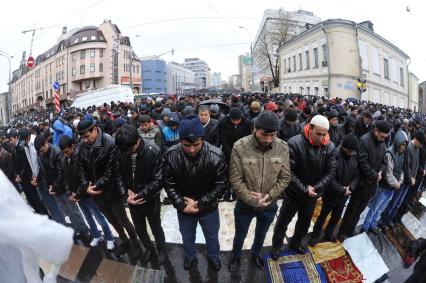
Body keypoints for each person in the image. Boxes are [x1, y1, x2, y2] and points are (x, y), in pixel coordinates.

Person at [164, 114, 227, 271]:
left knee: (212, 237)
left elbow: (221, 186)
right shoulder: (171, 155)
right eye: (186, 145)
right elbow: (169, 184)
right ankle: (190, 257)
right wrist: (180, 204)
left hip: (209, 209)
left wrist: (201, 203)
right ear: (180, 140)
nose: (192, 150)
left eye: (196, 144)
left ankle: (213, 257)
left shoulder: (216, 155)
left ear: (202, 139)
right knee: (187, 237)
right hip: (184, 208)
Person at [228, 112, 291, 270]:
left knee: (261, 235)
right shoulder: (240, 147)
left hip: (269, 205)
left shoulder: (282, 147)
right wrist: (252, 199)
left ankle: (255, 254)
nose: (268, 139)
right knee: (240, 234)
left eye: (273, 135)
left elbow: (285, 178)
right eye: (264, 134)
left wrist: (268, 196)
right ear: (255, 129)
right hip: (245, 205)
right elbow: (235, 179)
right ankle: (236, 256)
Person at [271, 115, 336, 259]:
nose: (321, 138)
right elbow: (288, 171)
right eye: (318, 134)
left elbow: (331, 171)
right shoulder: (294, 143)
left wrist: (316, 188)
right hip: (293, 193)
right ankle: (276, 246)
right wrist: (304, 188)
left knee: (304, 223)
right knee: (283, 222)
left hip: (312, 195)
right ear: (310, 128)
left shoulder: (329, 146)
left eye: (324, 134)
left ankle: (295, 243)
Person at [77, 118, 141, 258]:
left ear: (94, 129)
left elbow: (111, 170)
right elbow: (80, 167)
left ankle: (135, 241)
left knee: (123, 220)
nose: (85, 140)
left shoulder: (109, 143)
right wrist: (85, 185)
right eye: (82, 137)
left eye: (87, 136)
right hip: (96, 194)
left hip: (111, 192)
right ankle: (124, 240)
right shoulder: (82, 145)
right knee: (112, 221)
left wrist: (97, 185)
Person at [115, 125, 167, 264]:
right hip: (132, 201)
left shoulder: (153, 151)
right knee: (140, 230)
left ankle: (162, 250)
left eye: (129, 150)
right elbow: (118, 174)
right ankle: (150, 250)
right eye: (124, 151)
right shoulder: (122, 150)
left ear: (137, 140)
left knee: (156, 227)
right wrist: (125, 194)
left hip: (150, 199)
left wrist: (139, 194)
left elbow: (159, 180)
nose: (126, 153)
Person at [338, 120, 391, 241]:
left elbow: (384, 162)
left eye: (385, 137)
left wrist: (380, 173)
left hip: (372, 184)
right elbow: (362, 163)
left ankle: (351, 229)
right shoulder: (364, 140)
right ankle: (342, 232)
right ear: (376, 131)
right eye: (382, 136)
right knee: (352, 209)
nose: (384, 139)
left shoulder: (382, 143)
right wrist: (375, 176)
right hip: (361, 183)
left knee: (360, 209)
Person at [59, 135, 115, 250]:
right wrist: (70, 193)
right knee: (88, 217)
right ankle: (96, 235)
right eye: (63, 152)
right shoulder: (64, 160)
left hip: (87, 194)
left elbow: (84, 179)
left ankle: (110, 237)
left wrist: (77, 194)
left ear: (72, 146)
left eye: (66, 151)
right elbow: (65, 178)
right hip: (78, 196)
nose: (65, 154)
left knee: (99, 218)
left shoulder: (80, 157)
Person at [34, 133, 89, 239]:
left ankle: (85, 231)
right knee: (67, 212)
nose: (41, 153)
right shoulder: (40, 155)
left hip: (64, 188)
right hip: (54, 190)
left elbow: (61, 173)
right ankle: (77, 229)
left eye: (41, 150)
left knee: (74, 212)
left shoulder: (56, 152)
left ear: (46, 143)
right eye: (39, 152)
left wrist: (54, 186)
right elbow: (43, 170)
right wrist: (45, 183)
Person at [309, 134, 359, 246]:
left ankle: (328, 234)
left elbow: (357, 175)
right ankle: (315, 236)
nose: (351, 153)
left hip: (344, 195)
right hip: (331, 194)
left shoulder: (354, 156)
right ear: (343, 147)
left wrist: (351, 187)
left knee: (336, 217)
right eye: (349, 151)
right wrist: (341, 189)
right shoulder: (334, 155)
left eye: (352, 151)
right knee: (323, 216)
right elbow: (329, 178)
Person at [363, 130, 408, 234]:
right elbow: (388, 173)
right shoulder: (389, 153)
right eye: (402, 144)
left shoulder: (402, 154)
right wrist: (396, 183)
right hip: (385, 186)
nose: (404, 147)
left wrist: (400, 181)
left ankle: (373, 224)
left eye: (405, 145)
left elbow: (402, 170)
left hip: (392, 188)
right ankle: (366, 226)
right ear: (398, 142)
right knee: (375, 207)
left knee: (381, 208)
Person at [380, 130, 424, 229]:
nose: (421, 146)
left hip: (409, 181)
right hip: (403, 180)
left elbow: (416, 164)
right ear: (416, 140)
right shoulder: (408, 147)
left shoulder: (417, 149)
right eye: (420, 143)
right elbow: (406, 166)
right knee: (394, 202)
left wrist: (414, 177)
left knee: (398, 203)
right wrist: (410, 178)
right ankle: (383, 220)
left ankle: (390, 220)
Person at [219, 107, 252, 201]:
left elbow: (248, 140)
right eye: (234, 120)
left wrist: (241, 154)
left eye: (238, 120)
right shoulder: (224, 123)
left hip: (243, 152)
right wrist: (230, 154)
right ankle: (227, 192)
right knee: (229, 173)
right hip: (228, 152)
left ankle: (239, 193)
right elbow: (223, 140)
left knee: (241, 173)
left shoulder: (247, 123)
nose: (236, 122)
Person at [16, 128, 49, 216]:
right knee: (46, 201)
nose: (24, 142)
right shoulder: (26, 146)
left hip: (43, 177)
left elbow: (40, 163)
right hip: (36, 178)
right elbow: (29, 163)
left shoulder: (36, 142)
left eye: (25, 140)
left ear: (28, 137)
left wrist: (37, 177)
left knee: (52, 201)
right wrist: (33, 177)